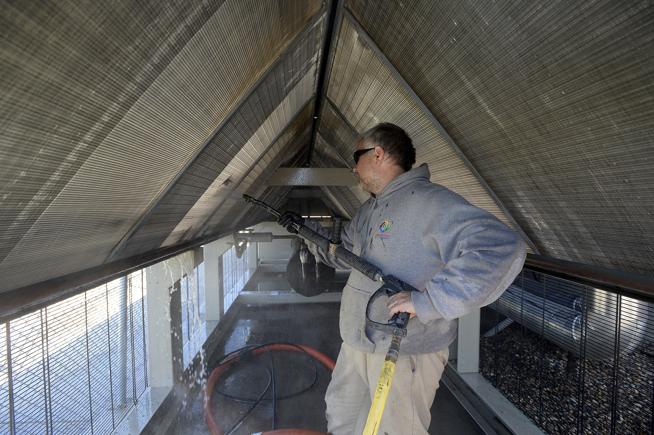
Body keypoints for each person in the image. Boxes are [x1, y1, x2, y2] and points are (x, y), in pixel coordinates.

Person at [278, 123, 526, 434]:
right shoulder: (369, 210)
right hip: (358, 341)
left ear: (378, 154)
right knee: (341, 417)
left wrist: (429, 301)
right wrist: (305, 231)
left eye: (357, 157)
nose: (354, 168)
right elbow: (342, 254)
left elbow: (501, 247)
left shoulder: (430, 202)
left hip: (405, 349)